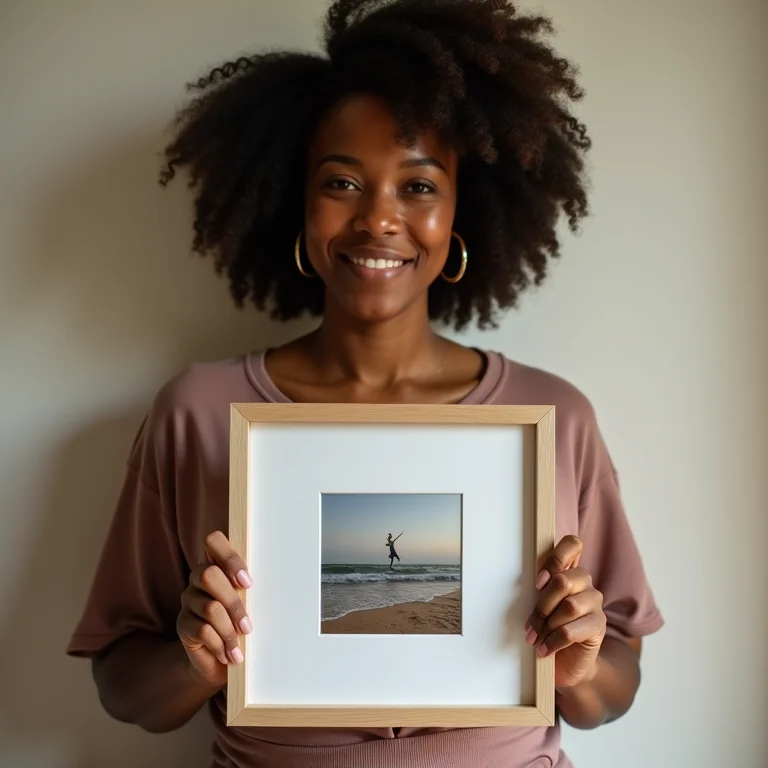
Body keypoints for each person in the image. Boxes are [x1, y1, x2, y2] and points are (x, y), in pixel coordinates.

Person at [66, 1, 664, 766]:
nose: (379, 219)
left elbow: (613, 691)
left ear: (459, 213)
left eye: (418, 187)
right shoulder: (198, 412)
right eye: (342, 182)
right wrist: (196, 661)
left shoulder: (552, 416)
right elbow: (123, 685)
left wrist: (577, 671)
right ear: (296, 202)